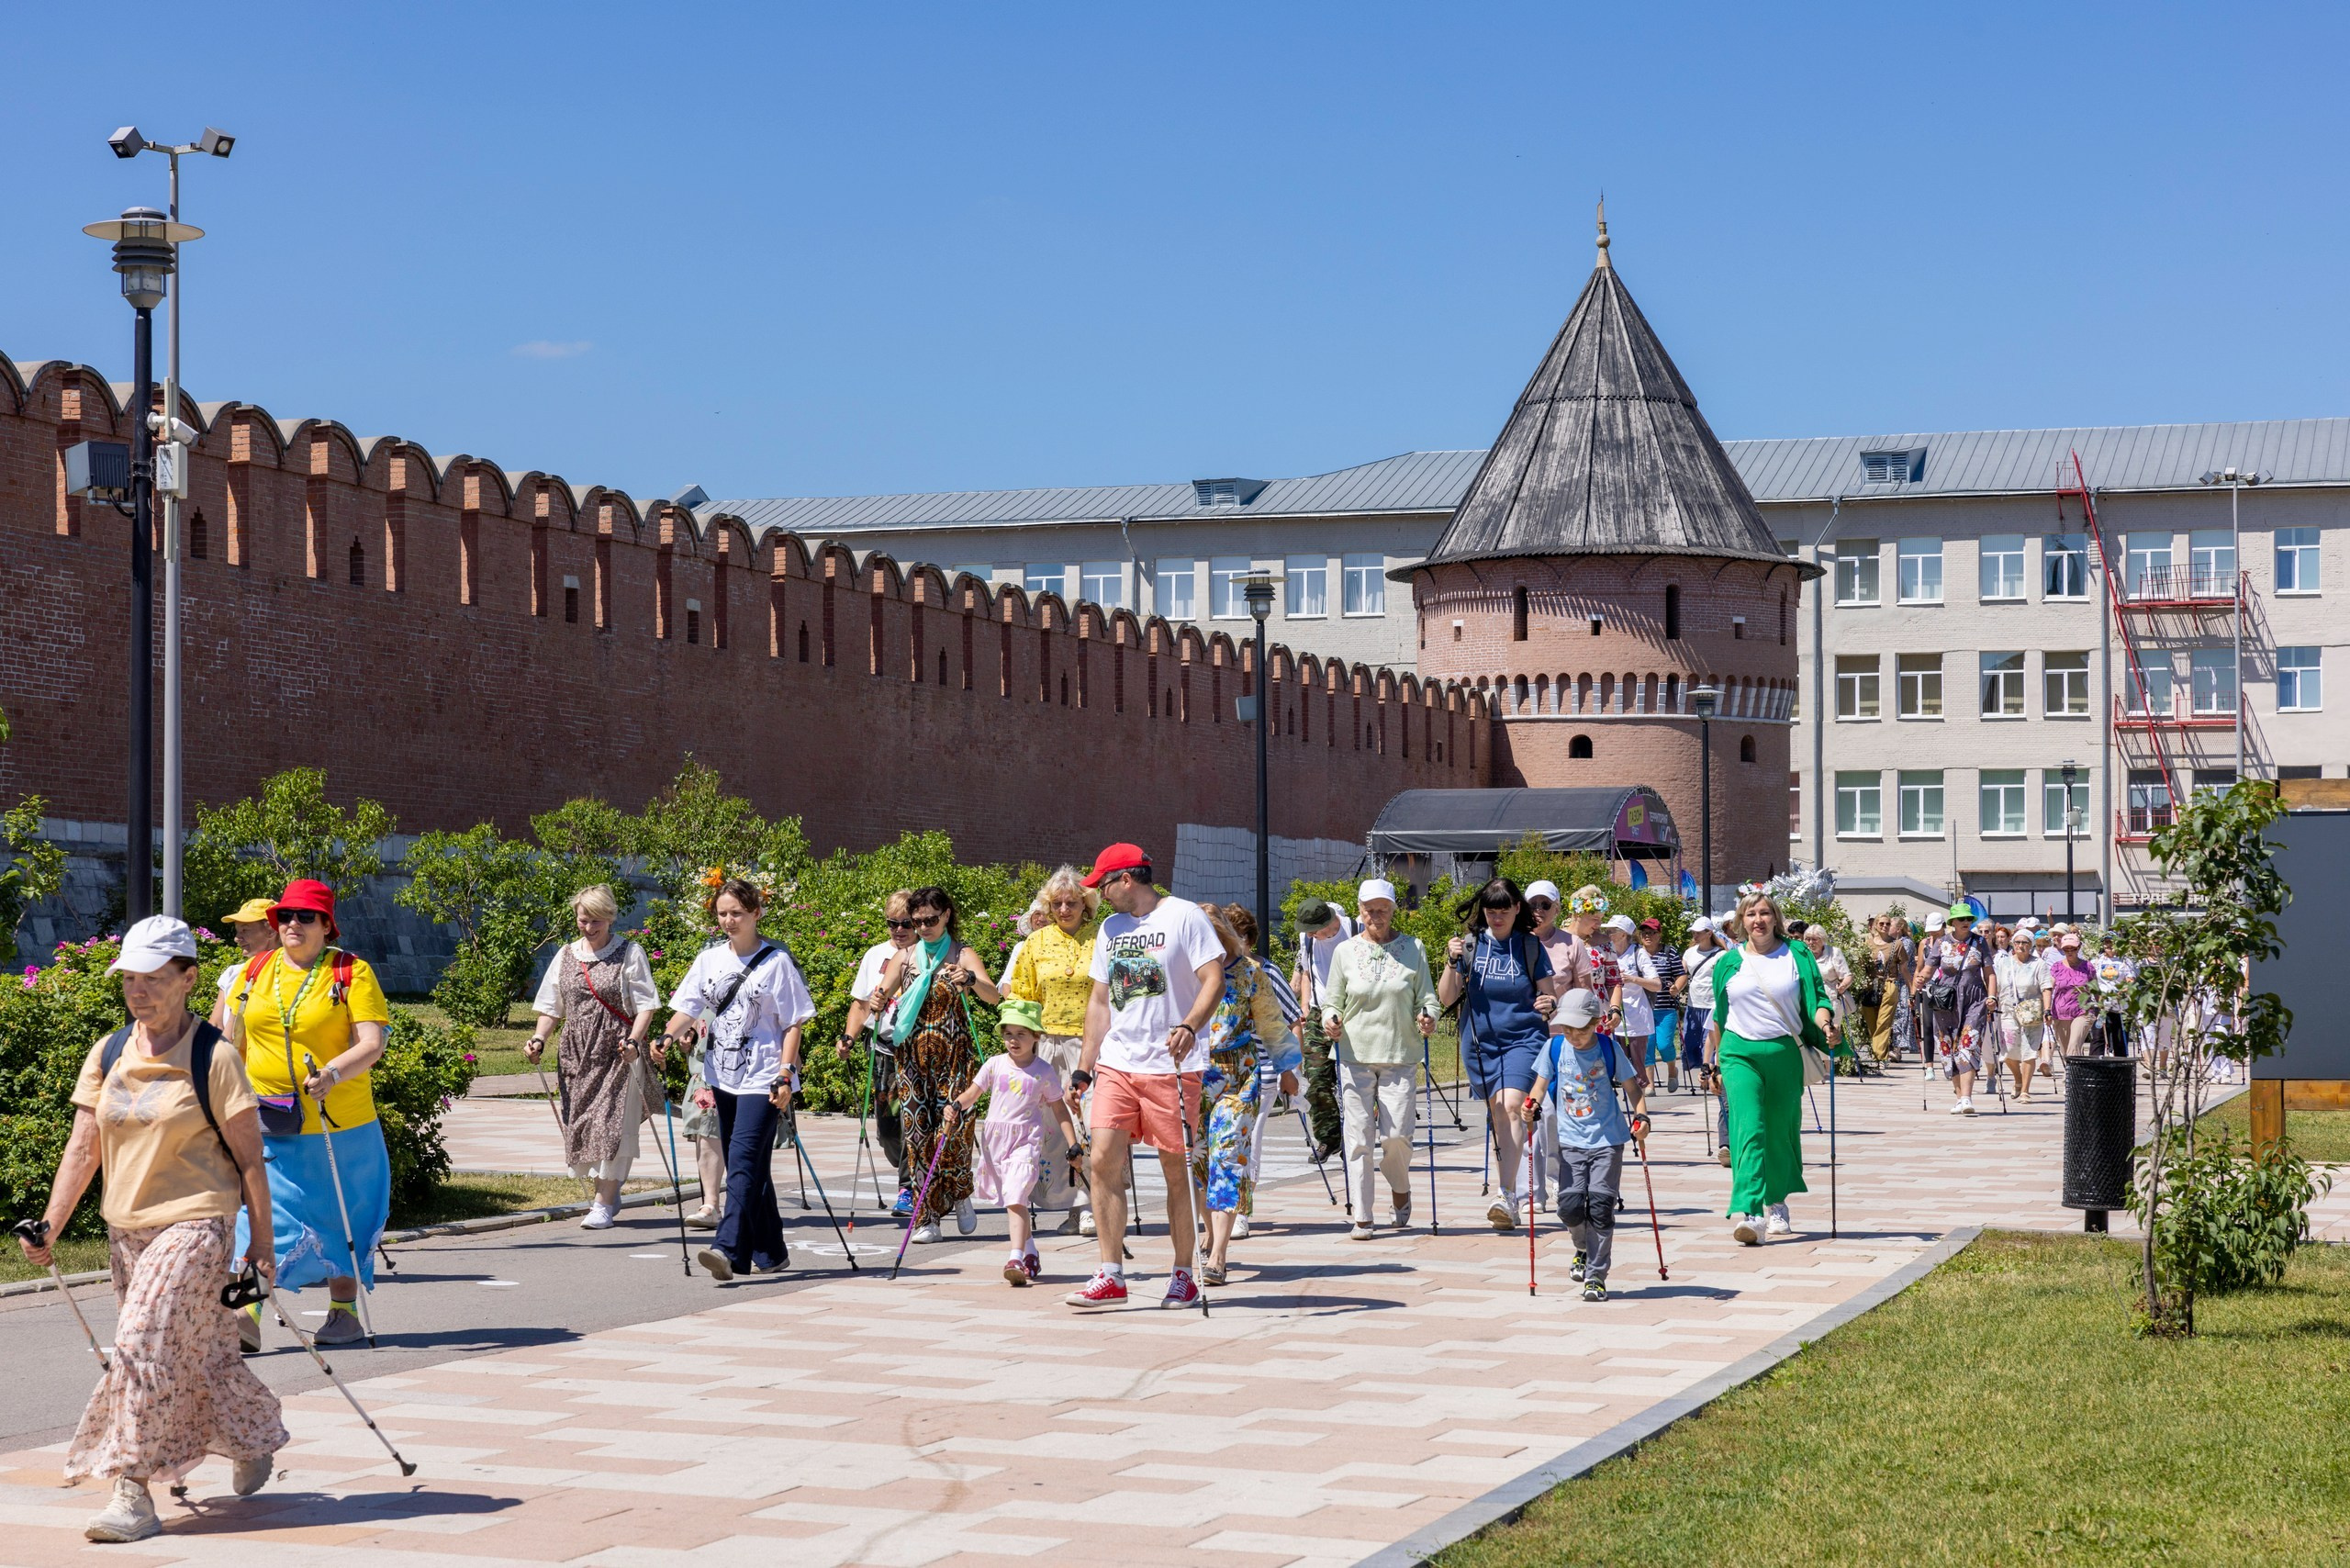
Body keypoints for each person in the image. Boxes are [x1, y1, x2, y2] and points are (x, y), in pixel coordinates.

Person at [17, 917, 286, 1543]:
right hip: (126, 1231)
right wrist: (51, 1226)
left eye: (154, 979)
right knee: (203, 1352)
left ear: (188, 978)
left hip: (196, 1226)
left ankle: (131, 1492)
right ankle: (253, 1437)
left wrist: (261, 1250)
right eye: (129, 980)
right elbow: (84, 1150)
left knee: (140, 1347)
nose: (138, 992)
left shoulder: (213, 1056)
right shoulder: (109, 1052)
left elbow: (250, 1161)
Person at [223, 879, 393, 1350]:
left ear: (325, 925)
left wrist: (333, 1074)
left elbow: (371, 1043)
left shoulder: (349, 972)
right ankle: (245, 1312)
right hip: (267, 1118)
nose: (292, 924)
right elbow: (230, 1038)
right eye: (284, 916)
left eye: (304, 916)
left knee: (341, 1216)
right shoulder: (255, 971)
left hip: (340, 1125)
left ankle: (343, 1312)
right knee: (259, 1216)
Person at [1065, 843, 1225, 1310]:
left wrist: (1190, 1026)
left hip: (1171, 1065)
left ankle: (1182, 1274)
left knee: (1176, 1170)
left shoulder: (1184, 916)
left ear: (1127, 879)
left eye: (1104, 885)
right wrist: (1084, 1064)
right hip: (1118, 1063)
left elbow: (1213, 978)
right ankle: (1111, 1274)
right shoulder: (1110, 929)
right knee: (1102, 1162)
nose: (1101, 896)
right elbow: (1099, 1002)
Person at [661, 878, 816, 1282]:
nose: (729, 920)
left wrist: (786, 1072)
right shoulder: (710, 959)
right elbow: (688, 1006)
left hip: (765, 1076)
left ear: (756, 914)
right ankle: (770, 1251)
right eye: (723, 913)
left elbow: (793, 1023)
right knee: (749, 1166)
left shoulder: (776, 962)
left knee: (744, 1162)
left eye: (737, 913)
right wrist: (666, 1036)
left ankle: (726, 1249)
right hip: (722, 1075)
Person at [524, 885, 663, 1229]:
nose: (588, 928)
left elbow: (646, 1006)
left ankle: (601, 1204)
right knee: (584, 1125)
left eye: (596, 921)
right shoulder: (567, 955)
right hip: (576, 1052)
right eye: (583, 920)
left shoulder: (630, 953)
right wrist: (539, 1038)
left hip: (619, 1050)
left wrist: (634, 1040)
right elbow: (551, 1006)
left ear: (611, 918)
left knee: (614, 1126)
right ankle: (610, 1193)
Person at [872, 885, 1002, 1244]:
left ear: (946, 915)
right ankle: (927, 1216)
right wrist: (878, 999)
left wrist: (971, 980)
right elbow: (881, 995)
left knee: (954, 1133)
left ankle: (959, 1191)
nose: (923, 927)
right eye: (917, 921)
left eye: (930, 919)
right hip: (912, 1058)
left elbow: (994, 996)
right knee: (916, 1135)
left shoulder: (962, 953)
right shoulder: (906, 956)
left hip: (955, 1057)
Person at [1707, 890, 1832, 1245]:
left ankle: (1776, 1202)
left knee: (1780, 1130)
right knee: (1749, 1128)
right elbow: (1719, 1015)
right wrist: (1715, 1061)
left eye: (1764, 913)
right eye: (1750, 915)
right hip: (1738, 1053)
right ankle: (1750, 1212)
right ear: (1740, 922)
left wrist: (1825, 1026)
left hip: (1784, 1051)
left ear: (1775, 918)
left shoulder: (1797, 954)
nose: (1757, 920)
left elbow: (1818, 1000)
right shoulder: (1728, 962)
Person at [1320, 879, 1439, 1241]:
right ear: (1360, 911)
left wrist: (1428, 1016)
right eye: (1370, 910)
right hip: (1354, 1055)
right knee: (1357, 1138)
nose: (1376, 916)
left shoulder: (1412, 948)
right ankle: (1363, 1215)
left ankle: (1400, 1188)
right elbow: (1332, 1001)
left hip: (1400, 1053)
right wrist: (1330, 1020)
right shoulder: (1345, 952)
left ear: (1393, 911)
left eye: (1383, 909)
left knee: (1397, 1136)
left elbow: (1428, 998)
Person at [1436, 878, 1555, 1231]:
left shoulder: (1530, 947)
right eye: (1490, 912)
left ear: (1517, 909)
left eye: (1503, 912)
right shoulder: (1470, 946)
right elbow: (1445, 997)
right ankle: (1510, 1197)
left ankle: (1507, 1194)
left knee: (1514, 1106)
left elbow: (1549, 998)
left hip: (1523, 1038)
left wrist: (1548, 1003)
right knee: (1498, 1114)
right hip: (1480, 1043)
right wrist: (1450, 961)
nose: (1497, 919)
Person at [946, 997, 1077, 1287]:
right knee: (1012, 1201)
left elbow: (1058, 1108)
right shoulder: (994, 1065)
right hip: (995, 1143)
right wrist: (956, 1105)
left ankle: (1015, 1256)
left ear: (1035, 1037)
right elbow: (973, 1093)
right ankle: (1030, 1251)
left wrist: (1072, 1143)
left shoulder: (1043, 1071)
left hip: (1026, 1141)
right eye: (1008, 1034)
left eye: (1021, 1034)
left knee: (1017, 1194)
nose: (1013, 1040)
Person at [1521, 988, 1640, 1303]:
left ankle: (1596, 1276)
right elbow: (1538, 1086)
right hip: (1569, 1141)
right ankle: (1583, 1248)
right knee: (1569, 1208)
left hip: (1608, 1140)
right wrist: (1529, 1105)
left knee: (1601, 1208)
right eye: (1567, 1028)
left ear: (1597, 1022)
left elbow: (1633, 1089)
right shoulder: (1554, 1047)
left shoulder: (1609, 1048)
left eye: (1581, 1029)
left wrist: (1642, 1117)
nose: (1573, 1035)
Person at [1192, 904, 1290, 1279]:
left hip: (1240, 1075)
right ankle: (1208, 1229)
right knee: (1199, 1160)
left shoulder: (1251, 973)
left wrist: (1287, 1070)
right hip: (1194, 1074)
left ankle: (1218, 1254)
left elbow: (1271, 1022)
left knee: (1228, 1157)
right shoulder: (1185, 971)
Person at [1005, 866, 1100, 1235]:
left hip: (1092, 1043)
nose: (1064, 909)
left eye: (1071, 902)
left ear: (1085, 904)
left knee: (1092, 1124)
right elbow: (1023, 997)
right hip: (1047, 1043)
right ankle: (1072, 1205)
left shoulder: (1101, 938)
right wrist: (1019, 1044)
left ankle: (1093, 1202)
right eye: (1057, 903)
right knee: (1055, 1129)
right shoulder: (1035, 944)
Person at [837, 888, 920, 1221]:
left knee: (912, 1120)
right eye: (892, 923)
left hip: (918, 1050)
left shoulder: (927, 952)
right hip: (884, 1049)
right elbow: (860, 1004)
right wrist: (849, 1037)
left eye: (906, 923)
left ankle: (909, 1186)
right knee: (888, 1131)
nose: (898, 930)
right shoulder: (875, 955)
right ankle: (914, 1171)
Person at [1221, 904, 1302, 1240]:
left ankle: (1240, 1211)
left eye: (1237, 936)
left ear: (1250, 939)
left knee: (1246, 1142)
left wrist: (1289, 1070)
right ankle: (1222, 1210)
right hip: (1221, 1071)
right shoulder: (1211, 971)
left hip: (1261, 1072)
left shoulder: (1264, 972)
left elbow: (1293, 1019)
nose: (1231, 942)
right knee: (1223, 1146)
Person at [1289, 898, 1355, 1163]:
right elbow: (1306, 973)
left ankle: (1358, 1138)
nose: (1311, 935)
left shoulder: (1356, 930)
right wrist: (1305, 1007)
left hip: (1354, 1013)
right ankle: (1329, 1138)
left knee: (1356, 1082)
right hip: (1319, 1014)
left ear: (1327, 923)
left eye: (1313, 930)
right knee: (1315, 1081)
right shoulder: (1308, 940)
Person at [1916, 904, 1988, 1112]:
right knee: (1949, 1048)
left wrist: (1992, 996)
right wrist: (1921, 979)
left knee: (1968, 1044)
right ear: (1952, 923)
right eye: (1961, 919)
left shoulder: (1979, 942)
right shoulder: (1941, 943)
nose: (1966, 921)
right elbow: (1929, 969)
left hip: (1975, 999)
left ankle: (1967, 1098)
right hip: (1946, 1001)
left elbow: (1989, 972)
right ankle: (1959, 1097)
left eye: (1968, 918)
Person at [1602, 913, 1660, 1126]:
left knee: (1636, 1068)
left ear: (1625, 934)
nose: (1608, 934)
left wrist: (1632, 979)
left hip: (1636, 1020)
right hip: (1610, 1019)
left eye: (1613, 931)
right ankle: (1616, 1111)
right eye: (1607, 930)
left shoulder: (1638, 954)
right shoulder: (1605, 951)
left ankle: (1639, 1112)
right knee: (1614, 1066)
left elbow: (1657, 984)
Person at [1992, 926, 2051, 1102]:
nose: (2020, 946)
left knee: (2029, 1051)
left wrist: (2047, 1009)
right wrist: (1991, 1000)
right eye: (2017, 942)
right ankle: (2018, 1079)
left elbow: (2046, 988)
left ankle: (2025, 1089)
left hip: (2031, 1013)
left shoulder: (2038, 964)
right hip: (2007, 1011)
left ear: (2031, 944)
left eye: (2024, 942)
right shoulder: (2003, 963)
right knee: (2008, 1051)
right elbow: (1996, 985)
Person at [206, 896, 278, 1031]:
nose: (237, 938)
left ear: (271, 931)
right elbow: (215, 1024)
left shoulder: (290, 974)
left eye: (245, 930)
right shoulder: (232, 973)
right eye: (237, 931)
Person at [1642, 919, 1686, 1092]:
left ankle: (1672, 1071)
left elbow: (1681, 975)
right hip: (1644, 1008)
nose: (1648, 936)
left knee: (1664, 1044)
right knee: (1647, 1044)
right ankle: (1650, 1084)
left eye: (1652, 932)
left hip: (1666, 1007)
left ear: (1659, 935)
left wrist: (1677, 987)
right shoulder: (1638, 953)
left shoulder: (1669, 952)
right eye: (1644, 933)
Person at [1801, 923, 1853, 1063]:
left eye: (1815, 939)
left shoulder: (1834, 953)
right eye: (1808, 939)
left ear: (1822, 939)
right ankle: (1816, 1068)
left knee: (1829, 1032)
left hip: (1830, 997)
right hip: (1809, 997)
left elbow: (1847, 975)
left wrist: (1842, 986)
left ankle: (1828, 1067)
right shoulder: (1804, 954)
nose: (1811, 943)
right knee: (1812, 1031)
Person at [2050, 929, 2097, 1058]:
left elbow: (2095, 989)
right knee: (2065, 1051)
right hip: (2060, 1013)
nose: (2070, 952)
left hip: (2083, 1011)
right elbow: (2050, 988)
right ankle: (2074, 1074)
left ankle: (2072, 1077)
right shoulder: (2057, 967)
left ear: (2079, 948)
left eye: (2073, 949)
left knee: (2074, 1045)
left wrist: (2101, 1009)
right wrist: (2046, 1010)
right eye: (2066, 949)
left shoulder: (2088, 966)